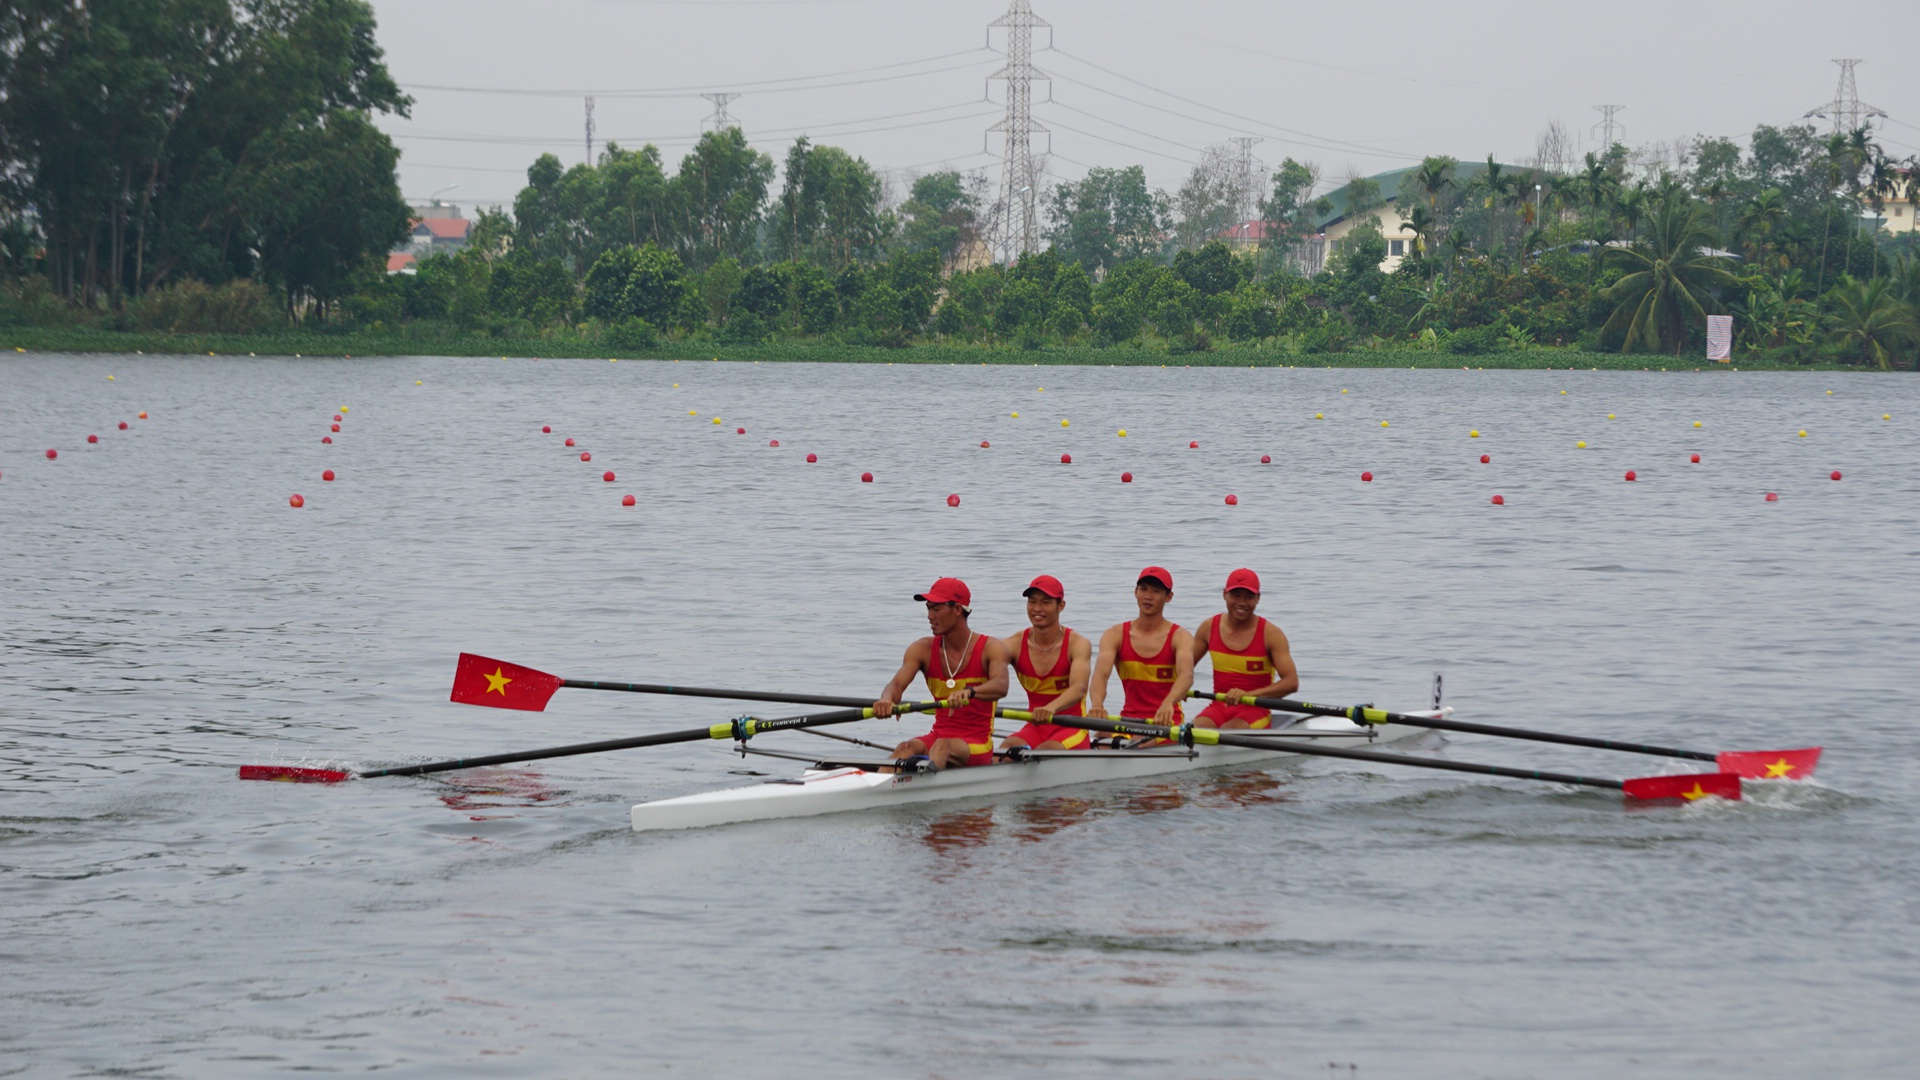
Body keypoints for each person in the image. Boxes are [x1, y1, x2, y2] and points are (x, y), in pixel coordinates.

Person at [873, 577, 1010, 770]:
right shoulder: (922, 649)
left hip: (976, 742)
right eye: (928, 609)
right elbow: (896, 685)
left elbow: (1001, 685)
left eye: (936, 609)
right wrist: (887, 700)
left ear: (957, 610)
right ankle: (879, 789)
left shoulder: (991, 648)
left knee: (941, 747)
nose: (929, 616)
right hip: (938, 735)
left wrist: (970, 692)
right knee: (904, 748)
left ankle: (928, 788)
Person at [1085, 567, 1195, 735]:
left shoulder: (1181, 637)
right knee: (1099, 738)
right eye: (1143, 589)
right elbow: (1100, 675)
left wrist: (1168, 703)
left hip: (1166, 722)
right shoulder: (1114, 635)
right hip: (1129, 720)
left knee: (1133, 742)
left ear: (1169, 597)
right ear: (1135, 592)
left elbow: (1186, 676)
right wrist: (1097, 705)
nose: (1148, 597)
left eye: (1156, 591)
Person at [1190, 568, 1299, 729]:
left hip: (1255, 710)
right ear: (1224, 595)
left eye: (1249, 596)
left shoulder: (1271, 635)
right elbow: (1182, 668)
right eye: (1236, 595)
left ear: (1258, 598)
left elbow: (1291, 682)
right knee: (1196, 728)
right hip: (1218, 707)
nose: (1242, 602)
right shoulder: (1208, 628)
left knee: (1227, 732)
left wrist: (1248, 695)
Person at [998, 575, 1094, 754]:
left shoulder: (1078, 644)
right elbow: (983, 666)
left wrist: (1051, 708)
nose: (1037, 609)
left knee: (1044, 751)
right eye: (1032, 601)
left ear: (1061, 606)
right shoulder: (1013, 644)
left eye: (1045, 602)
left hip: (1071, 727)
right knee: (1005, 749)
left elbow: (1079, 688)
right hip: (1035, 726)